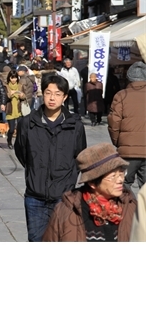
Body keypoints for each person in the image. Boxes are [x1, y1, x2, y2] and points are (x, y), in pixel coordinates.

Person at [14, 74, 87, 242]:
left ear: (65, 97)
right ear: (42, 94)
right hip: (35, 196)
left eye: (57, 93)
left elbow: (80, 155)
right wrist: (35, 171)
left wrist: (68, 182)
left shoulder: (74, 125)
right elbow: (21, 152)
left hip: (64, 197)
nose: (52, 98)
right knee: (36, 240)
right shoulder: (28, 123)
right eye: (48, 92)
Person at [42, 143, 137, 242]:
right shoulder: (67, 210)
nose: (120, 180)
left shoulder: (130, 206)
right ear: (92, 183)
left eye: (121, 173)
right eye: (113, 176)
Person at [107, 61, 146, 192]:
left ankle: (128, 211)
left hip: (128, 151)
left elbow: (114, 122)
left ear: (129, 77)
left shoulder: (121, 95)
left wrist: (118, 142)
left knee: (123, 186)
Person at [5, 70, 23, 149]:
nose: (13, 80)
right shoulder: (6, 86)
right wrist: (10, 94)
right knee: (11, 129)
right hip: (10, 109)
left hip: (19, 109)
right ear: (9, 78)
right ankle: (9, 141)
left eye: (15, 78)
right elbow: (6, 97)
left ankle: (18, 143)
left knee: (19, 128)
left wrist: (22, 95)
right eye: (12, 78)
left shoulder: (20, 86)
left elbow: (24, 96)